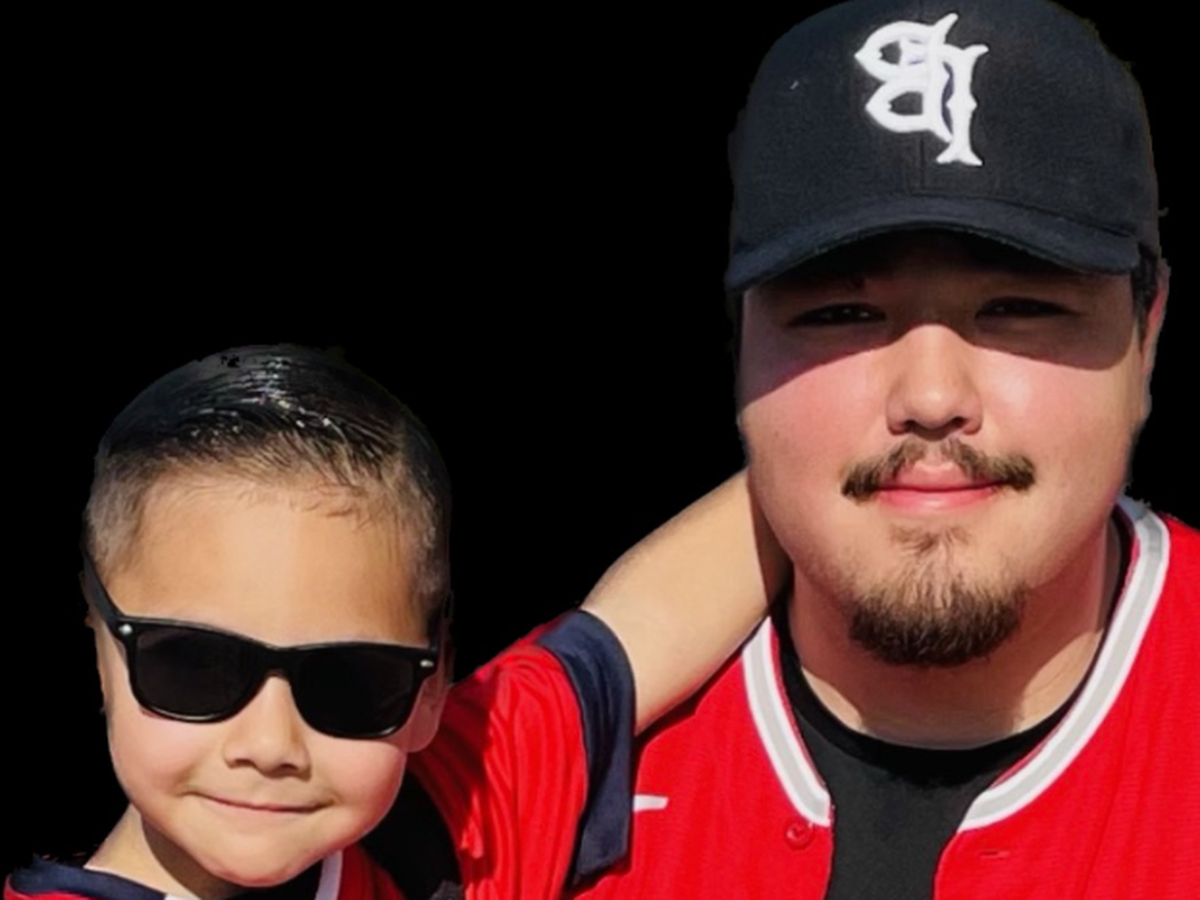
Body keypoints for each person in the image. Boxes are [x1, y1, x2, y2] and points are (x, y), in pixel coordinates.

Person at [444, 0, 1190, 896]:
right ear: (739, 345)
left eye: (1018, 308)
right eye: (841, 314)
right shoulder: (507, 774)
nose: (931, 398)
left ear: (1148, 332)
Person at [3, 346, 779, 900]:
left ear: (431, 686)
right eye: (195, 665)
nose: (270, 745)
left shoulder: (446, 823)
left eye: (349, 682)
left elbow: (644, 624)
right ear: (101, 651)